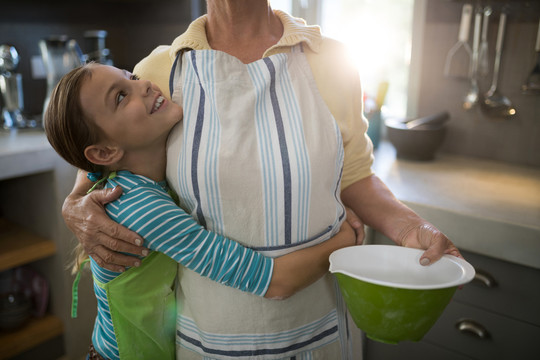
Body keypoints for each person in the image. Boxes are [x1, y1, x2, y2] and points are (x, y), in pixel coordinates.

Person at [61, 1, 462, 358]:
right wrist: (75, 200)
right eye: (123, 91)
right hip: (205, 341)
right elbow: (103, 152)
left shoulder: (332, 60)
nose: (135, 87)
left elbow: (354, 175)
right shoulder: (159, 71)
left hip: (319, 331)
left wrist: (411, 226)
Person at [44, 62, 357, 360]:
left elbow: (92, 165)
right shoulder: (140, 208)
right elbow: (273, 282)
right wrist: (345, 239)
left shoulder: (134, 181)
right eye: (121, 96)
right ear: (105, 152)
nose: (144, 84)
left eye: (132, 76)